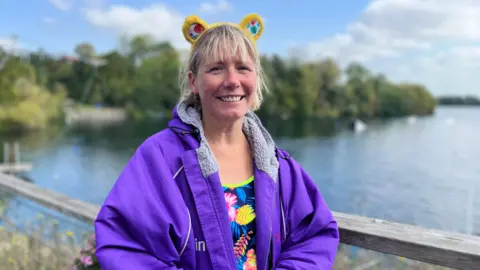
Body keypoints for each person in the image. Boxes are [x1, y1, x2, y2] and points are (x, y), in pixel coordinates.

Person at [94, 13, 339, 270]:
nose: (232, 81)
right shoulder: (159, 158)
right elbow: (125, 246)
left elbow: (314, 235)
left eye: (243, 68)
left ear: (256, 79)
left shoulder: (278, 166)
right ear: (194, 82)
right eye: (216, 69)